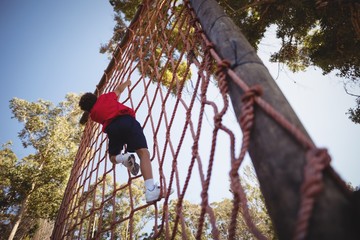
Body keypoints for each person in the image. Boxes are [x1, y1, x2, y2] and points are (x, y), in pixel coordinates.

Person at [79, 80, 165, 203]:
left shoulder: (93, 115)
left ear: (87, 110)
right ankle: (150, 190)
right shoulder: (104, 97)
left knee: (112, 157)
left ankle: (123, 158)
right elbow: (118, 90)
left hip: (112, 129)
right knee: (143, 153)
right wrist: (127, 83)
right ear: (95, 98)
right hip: (128, 121)